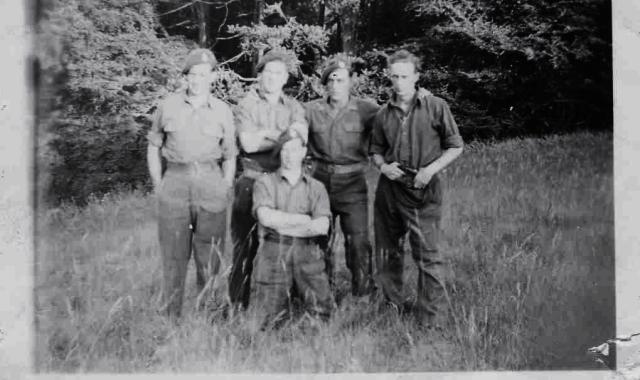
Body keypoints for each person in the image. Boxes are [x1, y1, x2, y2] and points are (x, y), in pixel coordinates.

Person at [370, 49, 464, 326]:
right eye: (394, 77)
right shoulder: (382, 114)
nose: (399, 82)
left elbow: (456, 146)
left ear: (416, 77)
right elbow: (375, 150)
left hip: (424, 188)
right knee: (387, 250)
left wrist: (430, 170)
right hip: (390, 189)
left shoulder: (436, 106)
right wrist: (383, 167)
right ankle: (392, 308)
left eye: (405, 76)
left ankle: (431, 319)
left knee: (428, 254)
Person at [146, 48, 237, 320]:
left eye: (204, 74)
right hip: (175, 180)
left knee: (210, 255)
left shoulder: (222, 110)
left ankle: (209, 316)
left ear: (213, 77)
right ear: (186, 77)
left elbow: (230, 154)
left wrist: (226, 185)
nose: (198, 79)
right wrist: (158, 183)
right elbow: (153, 146)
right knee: (174, 255)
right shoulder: (167, 106)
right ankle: (170, 317)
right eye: (193, 74)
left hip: (210, 181)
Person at [229, 50, 308, 309]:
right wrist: (282, 136)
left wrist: (265, 134)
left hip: (284, 182)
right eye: (268, 73)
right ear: (259, 76)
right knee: (245, 247)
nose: (273, 78)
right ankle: (238, 306)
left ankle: (286, 305)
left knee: (287, 243)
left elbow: (299, 139)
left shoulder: (294, 106)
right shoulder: (246, 105)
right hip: (251, 180)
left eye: (279, 73)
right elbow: (248, 144)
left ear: (285, 78)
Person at [304, 58, 379, 297]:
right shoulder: (311, 110)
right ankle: (322, 292)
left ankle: (364, 294)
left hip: (353, 183)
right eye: (331, 79)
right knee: (319, 239)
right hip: (319, 181)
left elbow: (392, 127)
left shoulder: (367, 110)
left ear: (350, 82)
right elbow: (294, 136)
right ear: (325, 84)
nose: (336, 84)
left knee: (358, 241)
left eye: (341, 80)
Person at [250, 131, 334, 328]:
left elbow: (322, 226)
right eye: (284, 150)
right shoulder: (265, 182)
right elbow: (265, 217)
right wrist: (305, 220)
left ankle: (308, 343)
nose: (289, 155)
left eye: (294, 150)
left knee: (321, 313)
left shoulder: (316, 187)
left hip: (307, 251)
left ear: (303, 152)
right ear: (279, 153)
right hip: (274, 250)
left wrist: (282, 223)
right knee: (268, 318)